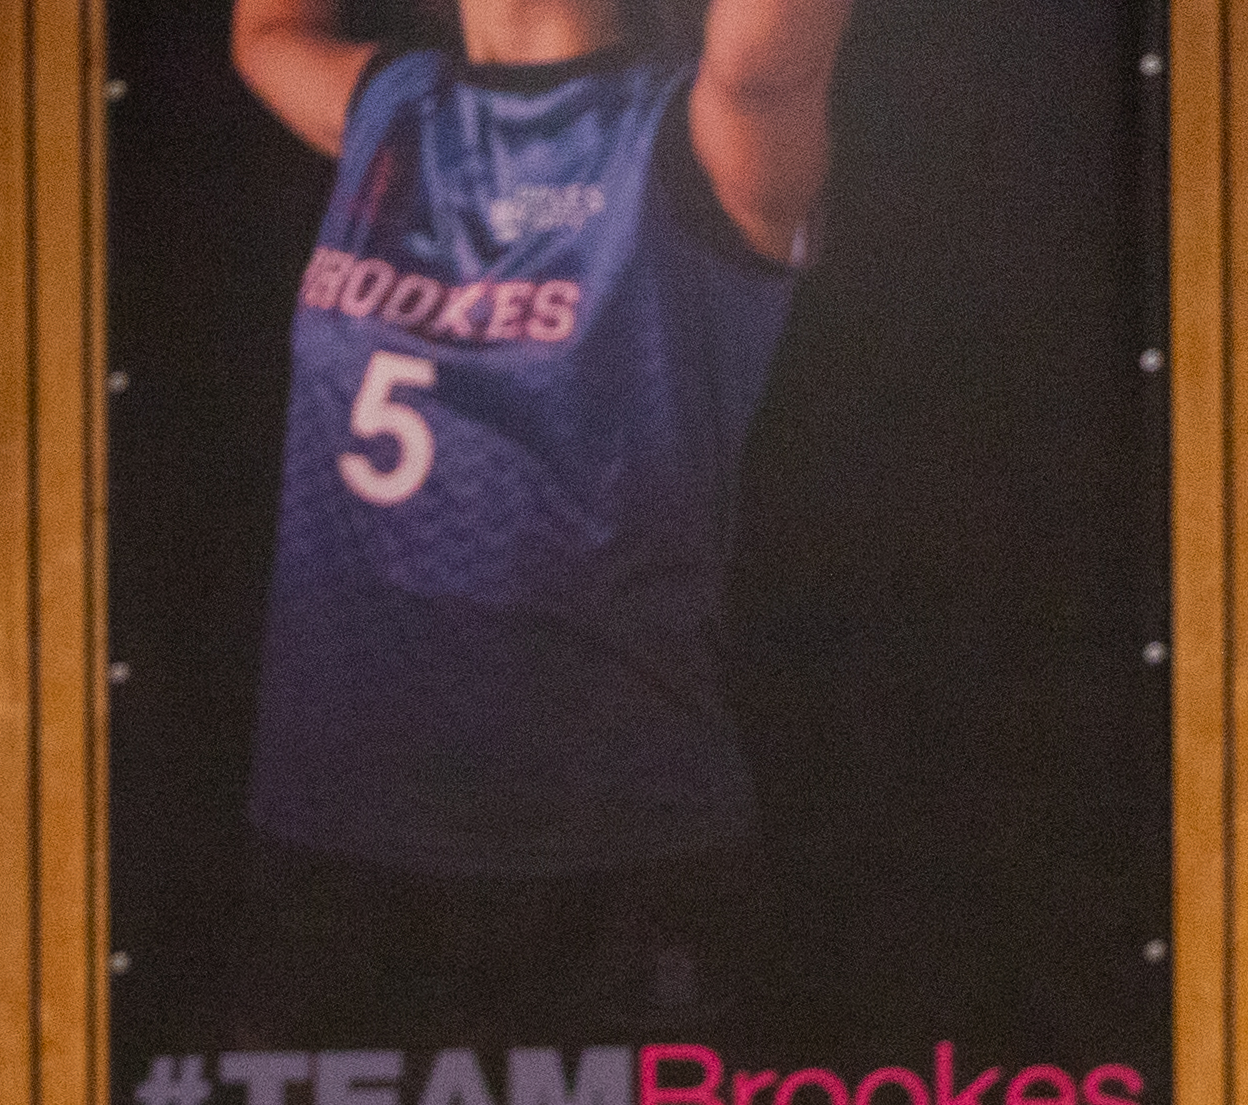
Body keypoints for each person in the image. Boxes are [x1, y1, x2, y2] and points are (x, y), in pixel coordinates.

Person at [225, 0, 857, 1041]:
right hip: (336, 847)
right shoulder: (394, 109)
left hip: (610, 864)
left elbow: (762, 61)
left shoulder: (695, 139)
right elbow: (266, 33)